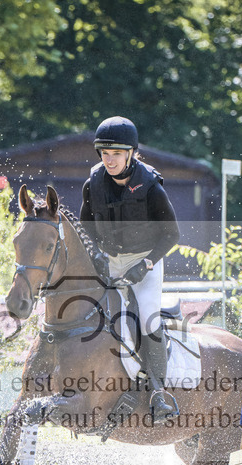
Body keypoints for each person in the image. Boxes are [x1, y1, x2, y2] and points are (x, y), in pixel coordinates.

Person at [79, 115, 180, 420]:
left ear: (132, 153)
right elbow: (85, 228)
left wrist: (145, 264)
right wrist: (95, 253)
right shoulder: (93, 184)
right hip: (110, 260)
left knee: (147, 318)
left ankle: (159, 392)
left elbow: (172, 235)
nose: (109, 160)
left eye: (116, 154)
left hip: (147, 260)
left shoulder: (151, 187)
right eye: (105, 154)